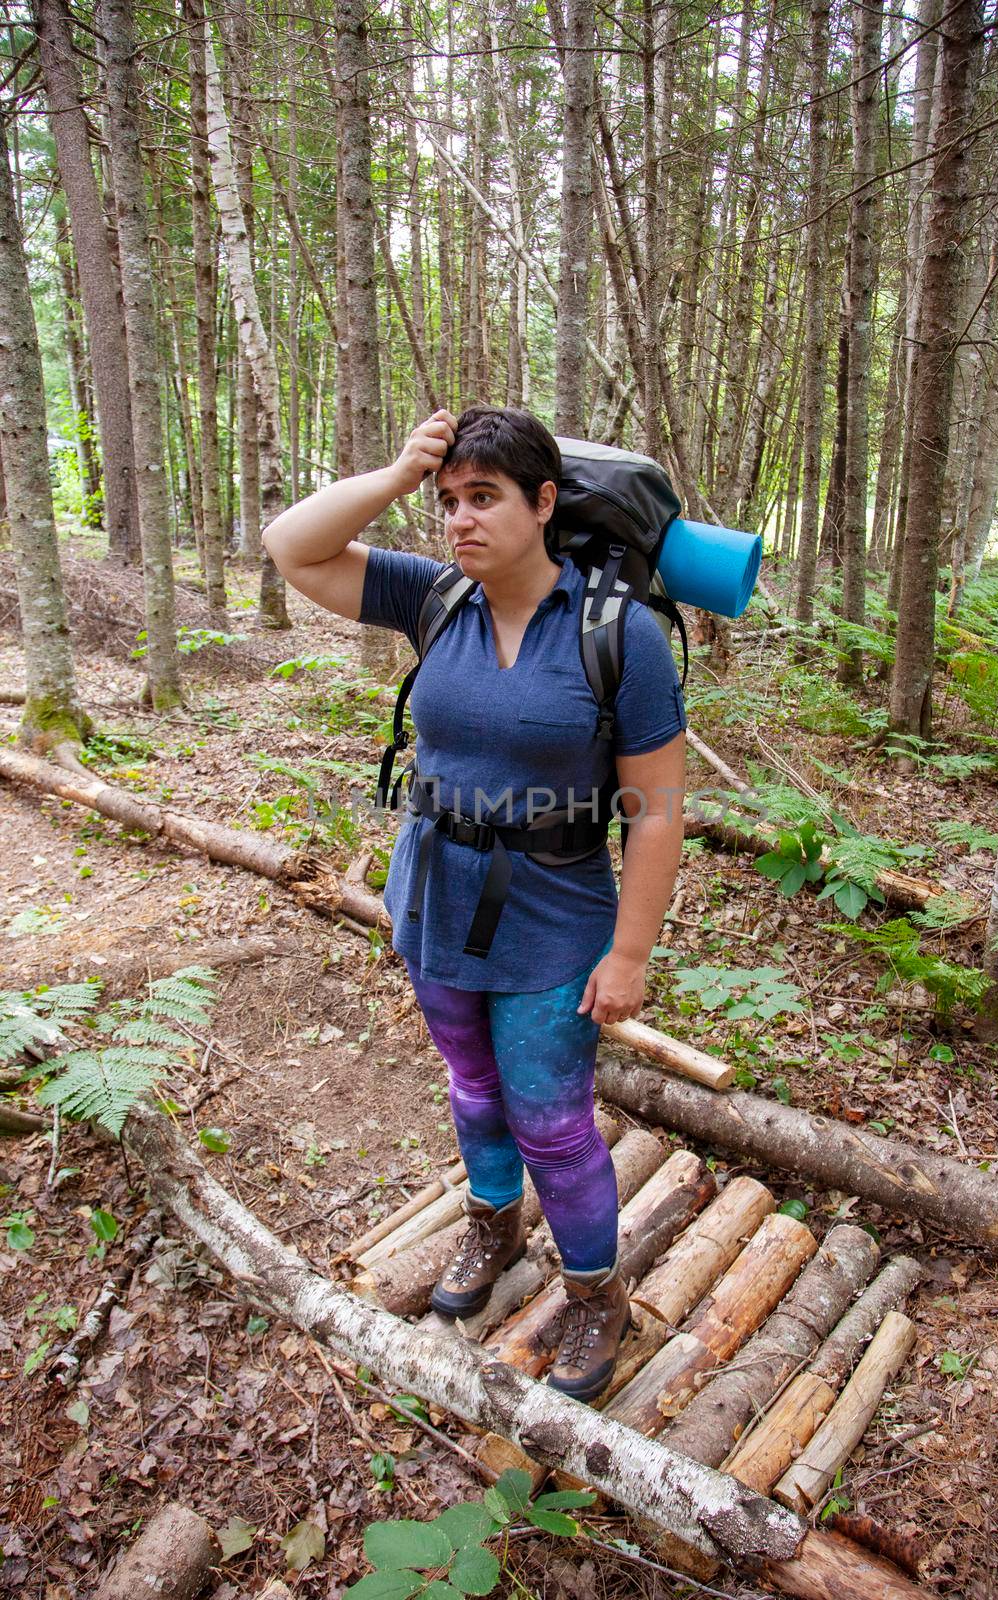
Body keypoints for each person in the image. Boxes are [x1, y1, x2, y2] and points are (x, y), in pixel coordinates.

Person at [263, 406, 686, 1401]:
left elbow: (657, 815)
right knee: (473, 1087)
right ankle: (493, 1224)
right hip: (432, 901)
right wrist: (394, 468)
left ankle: (593, 1290)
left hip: (556, 913)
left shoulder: (615, 633)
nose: (458, 519)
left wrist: (628, 955)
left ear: (543, 503)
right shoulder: (433, 597)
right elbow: (292, 546)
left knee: (550, 1113)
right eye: (447, 500)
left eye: (483, 497)